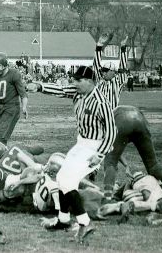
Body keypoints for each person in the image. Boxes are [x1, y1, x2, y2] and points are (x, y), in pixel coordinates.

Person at [47, 66, 117, 245]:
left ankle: (85, 223)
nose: (74, 84)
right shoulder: (79, 93)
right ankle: (63, 220)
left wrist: (99, 155)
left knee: (68, 181)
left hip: (94, 147)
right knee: (61, 177)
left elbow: (111, 132)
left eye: (78, 80)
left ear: (90, 81)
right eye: (74, 80)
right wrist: (39, 86)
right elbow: (61, 90)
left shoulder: (101, 102)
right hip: (81, 143)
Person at [102, 105, 162, 208]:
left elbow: (110, 149)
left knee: (110, 163)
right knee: (153, 166)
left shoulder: (100, 124)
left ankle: (107, 199)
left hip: (122, 119)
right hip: (139, 118)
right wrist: (126, 165)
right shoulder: (108, 114)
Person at [98, 171, 162, 223]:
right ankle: (154, 206)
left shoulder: (133, 184)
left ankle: (154, 206)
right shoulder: (147, 180)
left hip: (134, 197)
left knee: (123, 204)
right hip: (147, 195)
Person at [93, 34, 129, 110]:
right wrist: (99, 46)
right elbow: (96, 65)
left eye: (106, 71)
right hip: (99, 112)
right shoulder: (100, 80)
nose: (103, 73)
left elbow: (123, 66)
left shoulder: (118, 82)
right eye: (103, 71)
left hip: (112, 112)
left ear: (112, 72)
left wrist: (123, 47)